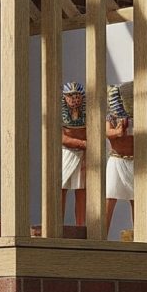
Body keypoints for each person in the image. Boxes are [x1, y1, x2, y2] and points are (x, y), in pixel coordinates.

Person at [105, 82, 147, 237]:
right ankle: (101, 234)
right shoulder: (112, 118)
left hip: (135, 162)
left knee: (138, 199)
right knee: (109, 197)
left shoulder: (142, 120)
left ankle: (141, 234)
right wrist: (117, 132)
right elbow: (107, 132)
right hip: (116, 160)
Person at [61, 82, 88, 228]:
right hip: (65, 154)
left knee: (81, 189)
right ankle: (57, 223)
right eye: (70, 97)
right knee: (61, 188)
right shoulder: (60, 116)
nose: (74, 100)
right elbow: (61, 138)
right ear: (65, 98)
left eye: (77, 96)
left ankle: (81, 225)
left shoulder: (87, 115)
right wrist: (82, 144)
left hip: (83, 156)